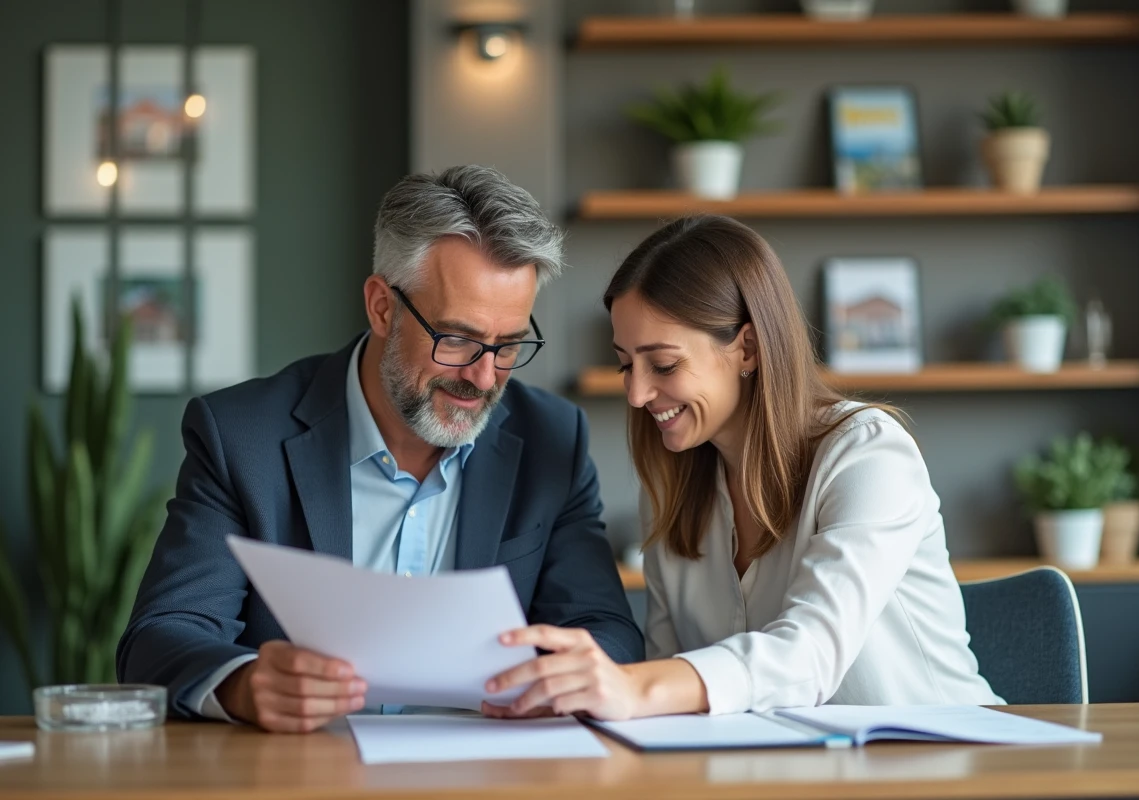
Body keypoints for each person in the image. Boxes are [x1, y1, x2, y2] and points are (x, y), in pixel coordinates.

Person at [117, 165, 644, 732]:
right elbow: (160, 636)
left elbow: (606, 631)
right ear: (382, 308)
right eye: (458, 339)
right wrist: (243, 684)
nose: (486, 378)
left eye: (510, 345)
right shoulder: (243, 437)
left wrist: (562, 681)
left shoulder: (552, 439)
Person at [483, 215, 1001, 721]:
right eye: (625, 364)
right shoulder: (670, 490)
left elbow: (811, 655)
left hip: (948, 763)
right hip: (797, 778)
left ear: (747, 347)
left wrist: (636, 685)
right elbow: (672, 704)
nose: (637, 394)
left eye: (663, 365)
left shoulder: (868, 456)